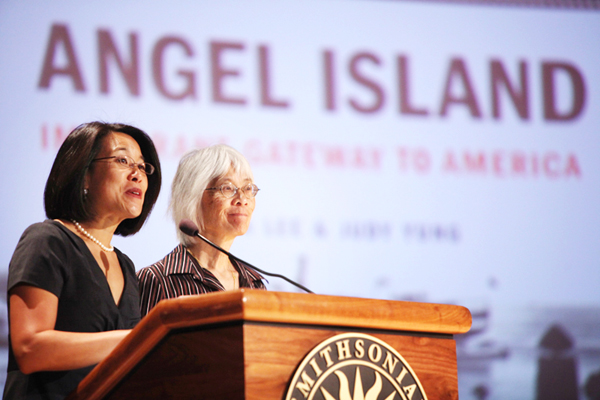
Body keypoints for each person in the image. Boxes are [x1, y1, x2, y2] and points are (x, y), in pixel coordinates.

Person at [3, 122, 162, 400]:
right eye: (123, 160)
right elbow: (29, 348)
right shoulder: (48, 240)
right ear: (84, 175)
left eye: (142, 166)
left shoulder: (125, 266)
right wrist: (135, 341)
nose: (137, 174)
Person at [137, 144, 265, 318]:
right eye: (227, 188)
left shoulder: (253, 283)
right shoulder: (157, 279)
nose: (242, 199)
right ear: (193, 197)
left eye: (248, 188)